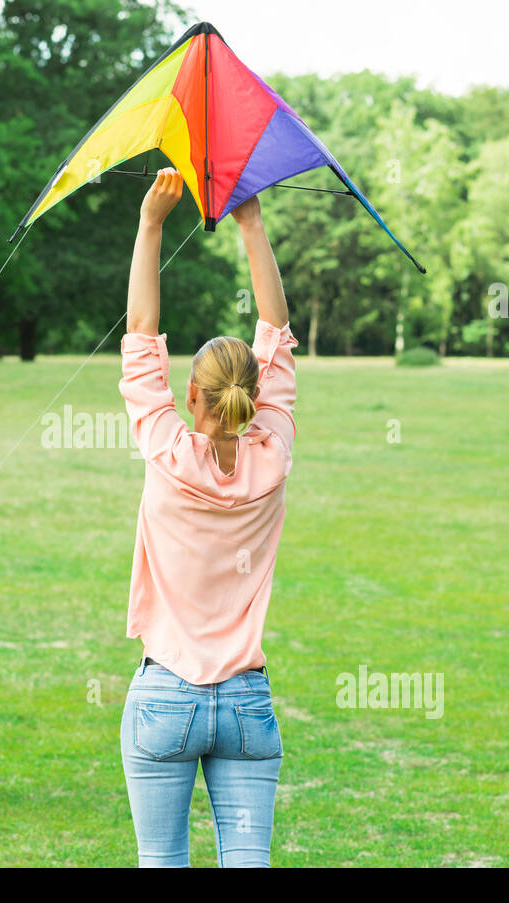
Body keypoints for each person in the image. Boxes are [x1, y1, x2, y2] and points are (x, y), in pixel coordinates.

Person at [118, 168, 298, 866]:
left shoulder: (166, 450)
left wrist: (151, 222)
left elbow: (140, 332)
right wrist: (251, 222)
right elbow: (277, 331)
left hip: (166, 693)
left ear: (189, 394)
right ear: (255, 398)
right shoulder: (273, 452)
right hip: (248, 705)